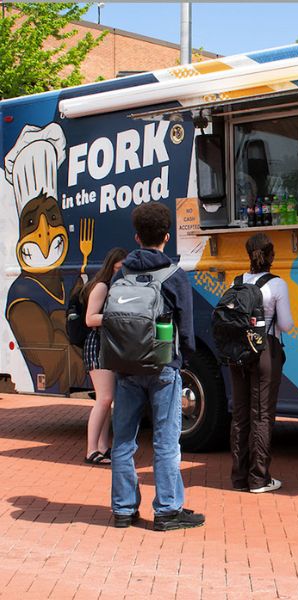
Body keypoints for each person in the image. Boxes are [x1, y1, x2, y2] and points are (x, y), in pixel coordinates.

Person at [109, 202, 204, 531]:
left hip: (126, 366)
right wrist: (181, 361)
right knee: (166, 441)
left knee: (123, 440)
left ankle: (123, 509)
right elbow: (187, 330)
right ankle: (166, 509)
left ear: (136, 237)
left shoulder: (123, 273)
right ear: (167, 236)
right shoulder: (175, 276)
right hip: (163, 367)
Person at [230, 233, 294, 493]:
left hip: (238, 352)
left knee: (240, 415)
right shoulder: (277, 284)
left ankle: (239, 477)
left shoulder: (235, 282)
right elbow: (286, 325)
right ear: (271, 255)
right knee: (262, 414)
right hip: (265, 350)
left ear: (248, 255)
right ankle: (259, 479)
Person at [82, 247, 128, 465]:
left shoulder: (112, 286)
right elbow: (90, 319)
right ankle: (91, 449)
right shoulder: (101, 286)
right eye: (119, 267)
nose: (122, 272)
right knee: (104, 398)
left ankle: (102, 447)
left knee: (107, 399)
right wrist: (115, 316)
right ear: (112, 266)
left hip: (107, 345)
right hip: (98, 344)